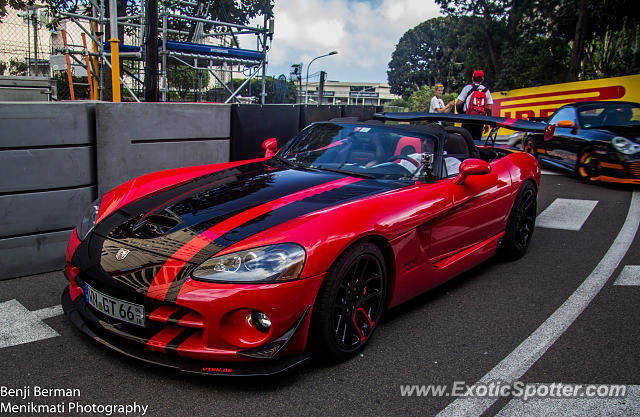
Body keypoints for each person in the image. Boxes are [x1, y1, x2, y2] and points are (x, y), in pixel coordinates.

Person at [455, 70, 493, 141]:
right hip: (479, 120)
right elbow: (489, 108)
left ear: (472, 78)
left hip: (467, 119)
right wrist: (488, 122)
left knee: (465, 142)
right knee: (476, 143)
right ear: (482, 79)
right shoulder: (486, 91)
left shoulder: (467, 88)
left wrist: (459, 112)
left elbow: (459, 103)